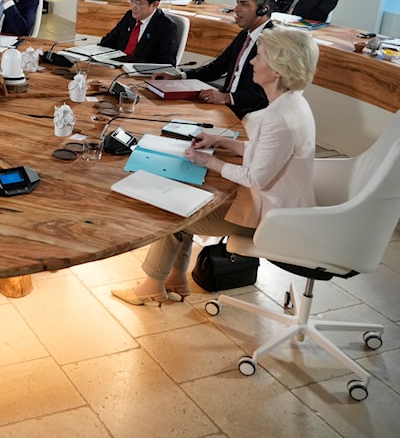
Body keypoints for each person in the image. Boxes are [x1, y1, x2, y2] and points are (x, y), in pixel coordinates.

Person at [113, 27, 318, 306]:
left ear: (278, 70)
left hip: (270, 217)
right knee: (189, 205)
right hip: (277, 205)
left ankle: (151, 285)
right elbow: (269, 153)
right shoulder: (292, 105)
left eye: (260, 57)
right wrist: (219, 142)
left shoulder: (278, 117)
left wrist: (210, 160)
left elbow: (255, 177)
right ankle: (174, 278)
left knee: (176, 216)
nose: (253, 62)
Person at [152, 0, 274, 120]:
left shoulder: (273, 42)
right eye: (237, 3)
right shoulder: (244, 35)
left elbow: (266, 93)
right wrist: (179, 77)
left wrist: (228, 98)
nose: (236, 9)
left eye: (244, 4)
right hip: (227, 109)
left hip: (251, 116)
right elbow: (216, 68)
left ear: (263, 9)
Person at [98, 0, 179, 64]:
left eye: (138, 3)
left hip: (140, 74)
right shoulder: (130, 16)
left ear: (155, 5)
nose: (133, 7)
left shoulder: (167, 28)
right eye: (132, 1)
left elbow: (167, 64)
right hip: (116, 68)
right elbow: (108, 42)